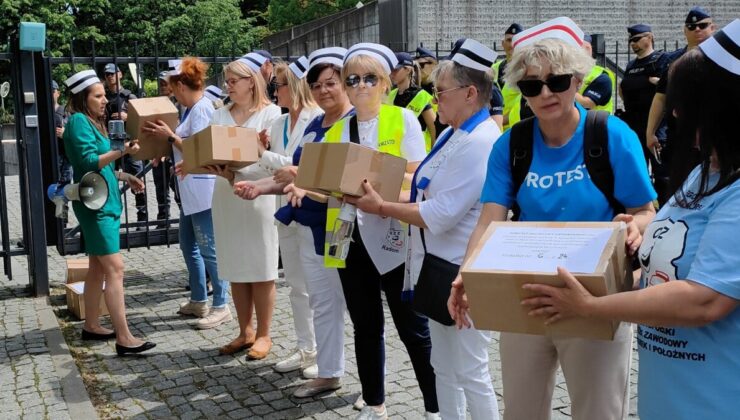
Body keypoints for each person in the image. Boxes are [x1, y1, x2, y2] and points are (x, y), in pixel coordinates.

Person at [520, 20, 740, 420]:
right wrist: (637, 229)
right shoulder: (704, 172)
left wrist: (590, 305)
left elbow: (706, 299)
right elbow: (665, 241)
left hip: (716, 398)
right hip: (671, 395)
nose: (675, 111)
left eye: (688, 101)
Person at [448, 17, 657, 420]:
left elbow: (647, 212)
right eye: (531, 85)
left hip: (597, 297)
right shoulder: (512, 144)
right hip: (525, 293)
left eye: (557, 81)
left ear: (577, 80)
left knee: (598, 411)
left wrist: (636, 226)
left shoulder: (611, 134)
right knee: (523, 411)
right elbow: (490, 218)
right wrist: (467, 273)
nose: (545, 93)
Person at [350, 38, 501, 420]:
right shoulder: (454, 132)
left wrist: (382, 206)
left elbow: (442, 212)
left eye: (440, 93)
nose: (435, 102)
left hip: (460, 270)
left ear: (470, 93)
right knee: (445, 370)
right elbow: (422, 183)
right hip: (435, 267)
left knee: (471, 370)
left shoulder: (481, 141)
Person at [325, 42, 438, 420]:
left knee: (412, 327)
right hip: (348, 233)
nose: (360, 85)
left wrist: (370, 171)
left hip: (393, 231)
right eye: (352, 79)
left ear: (386, 82)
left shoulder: (402, 119)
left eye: (369, 78)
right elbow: (325, 181)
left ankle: (434, 406)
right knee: (365, 325)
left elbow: (417, 171)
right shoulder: (338, 129)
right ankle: (374, 402)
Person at [234, 47, 354, 398]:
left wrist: (299, 176)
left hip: (339, 224)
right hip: (308, 222)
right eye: (317, 85)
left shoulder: (354, 123)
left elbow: (342, 174)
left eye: (331, 83)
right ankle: (327, 370)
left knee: (343, 301)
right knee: (319, 297)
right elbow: (292, 175)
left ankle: (367, 387)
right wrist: (258, 187)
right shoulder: (318, 125)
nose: (323, 91)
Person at [231, 57, 322, 367]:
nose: (275, 91)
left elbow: (306, 169)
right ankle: (305, 348)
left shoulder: (317, 118)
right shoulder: (280, 122)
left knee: (317, 290)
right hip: (285, 212)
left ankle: (324, 354)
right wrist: (251, 184)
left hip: (311, 211)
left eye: (278, 85)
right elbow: (276, 168)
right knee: (296, 286)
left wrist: (265, 155)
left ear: (293, 87)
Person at [62, 69, 154, 356]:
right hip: (96, 205)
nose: (105, 100)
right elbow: (88, 162)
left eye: (104, 95)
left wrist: (125, 176)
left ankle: (91, 325)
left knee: (98, 268)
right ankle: (124, 337)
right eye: (98, 96)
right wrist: (124, 151)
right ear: (83, 98)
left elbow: (103, 164)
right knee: (115, 268)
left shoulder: (92, 121)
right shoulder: (78, 122)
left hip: (103, 200)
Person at [202, 56, 282, 357]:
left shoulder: (272, 114)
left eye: (234, 81)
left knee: (261, 266)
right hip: (226, 193)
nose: (228, 86)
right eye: (227, 81)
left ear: (252, 82)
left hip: (260, 195)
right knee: (236, 265)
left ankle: (264, 334)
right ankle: (244, 330)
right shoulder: (219, 114)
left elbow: (274, 161)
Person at [144, 57, 229, 329]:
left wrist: (170, 137)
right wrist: (165, 152)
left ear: (181, 84)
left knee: (209, 249)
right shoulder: (191, 109)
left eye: (171, 85)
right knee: (188, 244)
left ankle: (221, 304)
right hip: (191, 189)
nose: (169, 90)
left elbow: (203, 150)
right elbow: (184, 145)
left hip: (203, 189)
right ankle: (198, 299)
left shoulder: (202, 109)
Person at [645, 6, 715, 204]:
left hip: (713, 136)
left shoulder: (723, 58)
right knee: (677, 189)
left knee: (713, 189)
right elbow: (660, 97)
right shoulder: (673, 60)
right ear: (685, 31)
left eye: (703, 25)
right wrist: (650, 132)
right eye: (692, 27)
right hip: (679, 137)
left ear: (713, 27)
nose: (697, 30)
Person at [102, 63, 147, 227]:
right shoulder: (104, 98)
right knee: (109, 179)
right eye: (107, 74)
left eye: (112, 73)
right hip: (111, 144)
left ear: (120, 74)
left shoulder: (129, 96)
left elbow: (142, 118)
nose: (110, 77)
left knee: (137, 179)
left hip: (129, 143)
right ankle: (111, 216)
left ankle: (143, 218)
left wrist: (127, 116)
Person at [618, 24, 669, 164]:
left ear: (650, 37)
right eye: (631, 41)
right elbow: (624, 90)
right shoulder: (631, 65)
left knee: (662, 176)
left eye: (637, 39)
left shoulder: (662, 59)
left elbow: (667, 89)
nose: (633, 43)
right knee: (637, 170)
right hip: (634, 125)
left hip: (656, 126)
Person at [388, 52, 437, 151]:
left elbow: (434, 131)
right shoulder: (391, 95)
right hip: (395, 154)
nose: (391, 73)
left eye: (396, 69)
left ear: (408, 70)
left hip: (418, 154)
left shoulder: (421, 96)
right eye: (390, 70)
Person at [494, 23, 525, 130]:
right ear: (502, 43)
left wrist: (496, 120)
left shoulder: (527, 71)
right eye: (509, 40)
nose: (512, 44)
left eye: (516, 41)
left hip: (515, 129)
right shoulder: (494, 68)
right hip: (495, 130)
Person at [575, 35, 615, 113]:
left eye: (575, 48)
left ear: (587, 48)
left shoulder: (602, 77)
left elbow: (586, 103)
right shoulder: (573, 73)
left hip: (598, 123)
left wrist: (562, 88)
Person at [53, 80, 72, 186]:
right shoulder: (39, 112)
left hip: (65, 156)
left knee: (65, 188)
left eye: (52, 91)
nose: (50, 94)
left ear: (58, 93)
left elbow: (75, 132)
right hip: (49, 155)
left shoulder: (66, 111)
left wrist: (65, 133)